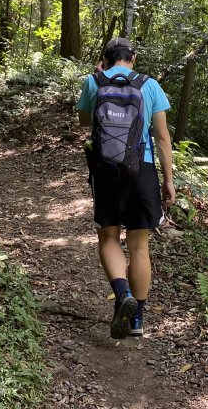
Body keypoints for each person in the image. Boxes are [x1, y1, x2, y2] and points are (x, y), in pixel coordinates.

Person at [77, 37, 176, 339]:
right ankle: (137, 321)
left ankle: (122, 296)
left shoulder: (93, 82)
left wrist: (98, 78)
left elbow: (84, 121)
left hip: (106, 169)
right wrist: (169, 180)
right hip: (141, 169)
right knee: (139, 244)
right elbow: (161, 137)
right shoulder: (149, 85)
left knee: (108, 235)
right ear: (132, 57)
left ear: (105, 59)